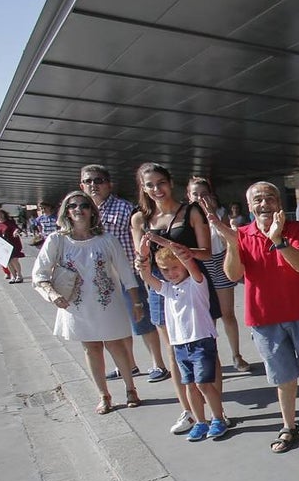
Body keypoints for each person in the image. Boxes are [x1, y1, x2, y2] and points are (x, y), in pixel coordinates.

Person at [212, 181, 299, 452]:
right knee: (283, 377)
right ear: (249, 206)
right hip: (264, 318)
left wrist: (278, 240)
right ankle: (289, 426)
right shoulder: (241, 234)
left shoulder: (294, 229)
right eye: (258, 200)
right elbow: (233, 275)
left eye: (270, 198)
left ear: (279, 203)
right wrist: (233, 245)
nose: (264, 204)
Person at [32, 190, 144, 414]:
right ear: (66, 211)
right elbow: (39, 273)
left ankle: (130, 389)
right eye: (72, 206)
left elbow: (126, 272)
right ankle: (103, 395)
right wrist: (52, 295)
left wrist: (136, 302)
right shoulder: (57, 240)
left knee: (115, 344)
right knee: (91, 348)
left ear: (92, 211)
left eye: (84, 205)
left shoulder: (107, 240)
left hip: (107, 303)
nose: (78, 210)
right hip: (76, 305)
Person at [131, 163, 218, 435]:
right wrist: (141, 262)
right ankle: (190, 412)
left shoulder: (190, 211)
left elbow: (207, 252)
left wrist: (179, 250)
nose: (156, 189)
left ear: (170, 182)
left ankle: (218, 413)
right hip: (162, 286)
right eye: (150, 185)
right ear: (143, 188)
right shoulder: (139, 219)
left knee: (206, 345)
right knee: (173, 349)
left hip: (194, 281)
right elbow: (140, 258)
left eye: (161, 182)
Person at [79, 164, 168, 384]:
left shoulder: (125, 209)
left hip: (128, 275)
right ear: (82, 185)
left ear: (109, 184)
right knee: (117, 324)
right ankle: (128, 365)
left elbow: (139, 240)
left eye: (98, 180)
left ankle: (158, 364)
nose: (93, 185)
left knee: (142, 320)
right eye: (88, 181)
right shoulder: (84, 212)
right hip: (102, 280)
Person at [138, 239, 229, 441]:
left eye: (175, 268)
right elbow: (146, 276)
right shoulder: (167, 288)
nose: (171, 273)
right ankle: (200, 422)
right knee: (189, 385)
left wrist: (163, 243)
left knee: (204, 384)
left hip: (201, 340)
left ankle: (218, 418)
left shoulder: (197, 282)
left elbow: (189, 263)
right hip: (180, 344)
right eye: (165, 270)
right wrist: (143, 256)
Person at [187, 177, 251, 371]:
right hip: (201, 264)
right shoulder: (186, 216)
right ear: (189, 196)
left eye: (204, 194)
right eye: (195, 194)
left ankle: (236, 355)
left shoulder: (220, 213)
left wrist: (212, 213)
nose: (200, 198)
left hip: (221, 260)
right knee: (208, 316)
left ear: (211, 195)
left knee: (227, 313)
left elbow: (228, 237)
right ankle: (212, 359)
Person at [0, 209, 24, 282]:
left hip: (13, 243)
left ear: (4, 214)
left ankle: (19, 275)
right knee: (8, 261)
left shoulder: (9, 221)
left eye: (1, 213)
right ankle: (13, 276)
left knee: (14, 260)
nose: (0, 215)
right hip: (3, 244)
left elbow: (16, 228)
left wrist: (15, 232)